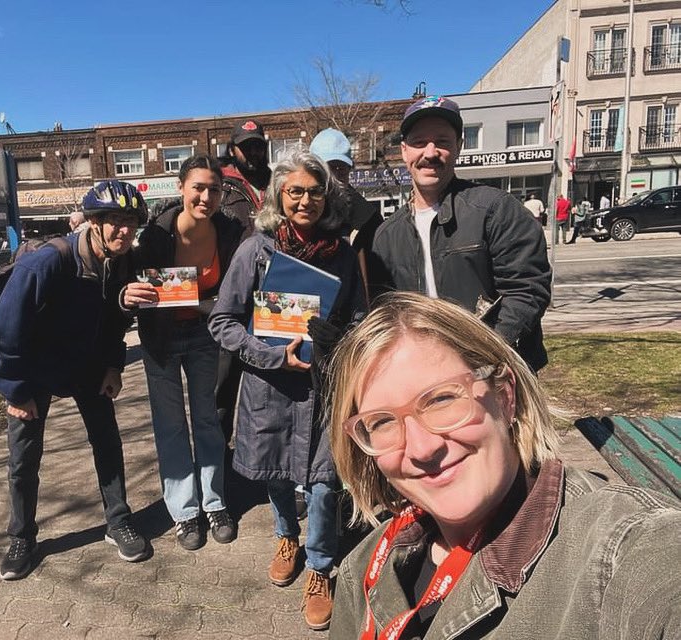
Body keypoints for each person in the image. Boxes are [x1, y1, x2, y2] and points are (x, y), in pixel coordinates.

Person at [326, 292, 681, 639]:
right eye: (383, 422)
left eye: (442, 399)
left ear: (505, 396)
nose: (421, 448)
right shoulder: (364, 568)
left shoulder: (618, 548)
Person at [209, 150, 366, 630]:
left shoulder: (340, 253)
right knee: (275, 472)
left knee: (324, 483)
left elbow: (359, 318)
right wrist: (273, 355)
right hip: (270, 386)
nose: (305, 200)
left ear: (326, 196)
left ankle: (319, 566)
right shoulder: (256, 249)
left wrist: (337, 342)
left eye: (314, 191)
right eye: (295, 190)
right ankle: (285, 535)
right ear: (280, 193)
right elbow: (222, 321)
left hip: (323, 387)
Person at [0, 180, 151, 581]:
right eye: (114, 220)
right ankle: (22, 536)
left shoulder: (122, 262)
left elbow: (116, 320)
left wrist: (114, 366)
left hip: (87, 364)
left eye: (130, 222)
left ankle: (118, 520)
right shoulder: (46, 262)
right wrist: (16, 390)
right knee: (24, 459)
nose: (123, 230)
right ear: (93, 223)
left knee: (108, 442)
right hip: (34, 368)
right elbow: (5, 331)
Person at [369, 95, 551, 372]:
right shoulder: (386, 237)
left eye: (442, 142)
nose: (430, 153)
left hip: (498, 371)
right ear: (404, 151)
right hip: (424, 375)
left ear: (458, 147)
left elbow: (526, 291)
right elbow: (387, 315)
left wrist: (484, 356)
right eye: (419, 143)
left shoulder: (495, 210)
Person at [122, 154, 243, 551]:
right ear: (181, 188)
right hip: (161, 341)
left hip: (205, 336)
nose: (206, 196)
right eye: (199, 188)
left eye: (214, 189)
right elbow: (128, 282)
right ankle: (185, 512)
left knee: (209, 420)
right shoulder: (155, 234)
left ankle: (215, 502)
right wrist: (127, 296)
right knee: (171, 427)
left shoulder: (229, 232)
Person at [215, 119, 272, 447]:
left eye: (257, 145)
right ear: (232, 149)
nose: (252, 151)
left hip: (274, 297)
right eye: (245, 146)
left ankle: (262, 459)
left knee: (268, 389)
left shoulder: (280, 181)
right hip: (233, 299)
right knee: (223, 390)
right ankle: (221, 466)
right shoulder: (221, 185)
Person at [309, 127, 383, 305]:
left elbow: (380, 282)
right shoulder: (297, 217)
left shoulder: (369, 219)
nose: (334, 176)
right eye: (328, 168)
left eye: (341, 168)